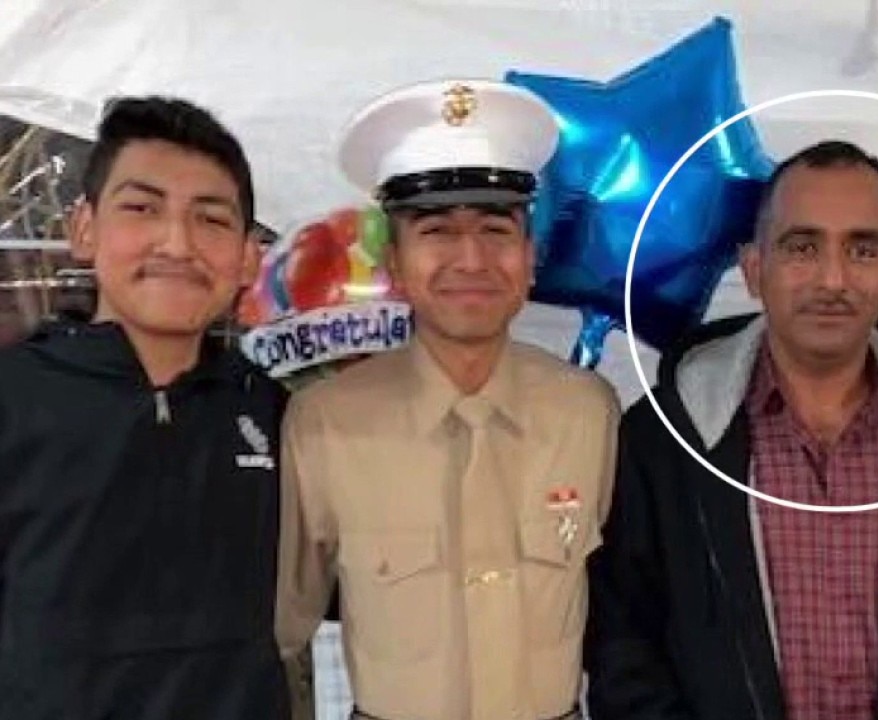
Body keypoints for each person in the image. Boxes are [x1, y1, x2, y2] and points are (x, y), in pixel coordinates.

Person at [585, 140, 878, 720]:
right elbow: (624, 648)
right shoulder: (662, 440)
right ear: (753, 269)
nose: (833, 278)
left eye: (863, 249)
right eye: (802, 247)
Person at [275, 79, 620, 720]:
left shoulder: (588, 413)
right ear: (395, 263)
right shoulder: (325, 425)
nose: (471, 258)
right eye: (436, 230)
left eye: (496, 229)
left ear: (530, 257)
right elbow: (280, 633)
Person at [0, 96, 288, 719]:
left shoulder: (277, 414)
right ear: (84, 229)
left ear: (247, 257)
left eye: (211, 219)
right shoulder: (15, 398)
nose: (177, 243)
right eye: (142, 208)